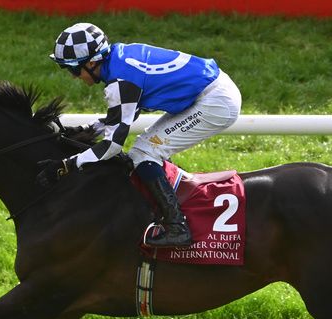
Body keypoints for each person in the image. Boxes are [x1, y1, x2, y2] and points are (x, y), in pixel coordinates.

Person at [37, 22, 242, 248]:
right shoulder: (119, 59)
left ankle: (178, 227)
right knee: (144, 148)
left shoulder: (120, 81)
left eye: (74, 69)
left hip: (215, 103)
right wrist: (87, 129)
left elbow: (112, 146)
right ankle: (166, 206)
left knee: (145, 153)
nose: (74, 77)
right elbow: (125, 115)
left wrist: (66, 165)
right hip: (210, 91)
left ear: (92, 62)